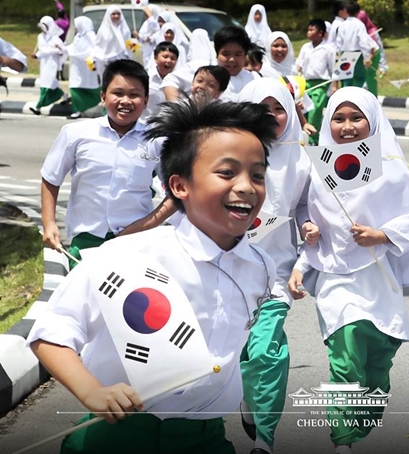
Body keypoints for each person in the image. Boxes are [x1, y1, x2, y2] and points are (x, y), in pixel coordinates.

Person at [28, 99, 279, 454]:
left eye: (257, 174)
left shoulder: (260, 267)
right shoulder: (126, 255)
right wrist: (93, 392)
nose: (247, 186)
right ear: (179, 186)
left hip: (206, 439)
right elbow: (50, 334)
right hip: (118, 437)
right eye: (226, 172)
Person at [288, 86, 409, 454]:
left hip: (380, 280)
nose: (347, 126)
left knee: (376, 361)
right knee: (345, 355)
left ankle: (362, 418)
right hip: (335, 279)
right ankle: (342, 440)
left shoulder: (391, 170)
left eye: (356, 118)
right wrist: (308, 229)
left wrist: (383, 234)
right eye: (339, 118)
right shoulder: (318, 168)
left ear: (372, 121)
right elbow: (304, 211)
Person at [237, 77, 313, 454]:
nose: (270, 116)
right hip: (224, 271)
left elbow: (304, 206)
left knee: (266, 350)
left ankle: (265, 439)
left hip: (275, 275)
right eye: (261, 108)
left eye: (278, 108)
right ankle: (248, 397)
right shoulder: (224, 150)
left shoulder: (302, 157)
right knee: (238, 352)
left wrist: (308, 225)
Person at [40, 60, 169, 269]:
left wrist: (149, 224)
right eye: (117, 93)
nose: (125, 101)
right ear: (103, 97)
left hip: (137, 244)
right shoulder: (76, 134)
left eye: (134, 95)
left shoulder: (157, 141)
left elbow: (178, 192)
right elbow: (50, 177)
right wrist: (49, 223)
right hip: (86, 242)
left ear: (146, 101)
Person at [296, 19, 337, 145]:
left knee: (315, 110)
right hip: (305, 82)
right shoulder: (305, 47)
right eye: (308, 30)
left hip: (321, 84)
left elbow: (333, 69)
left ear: (320, 33)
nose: (308, 32)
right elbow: (299, 63)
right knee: (304, 110)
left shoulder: (328, 49)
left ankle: (314, 139)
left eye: (311, 30)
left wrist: (334, 85)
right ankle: (303, 136)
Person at [335, 2, 378, 89]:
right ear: (358, 12)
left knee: (346, 78)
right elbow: (363, 42)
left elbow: (339, 41)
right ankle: (355, 97)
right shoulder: (359, 25)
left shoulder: (342, 25)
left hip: (345, 53)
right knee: (360, 77)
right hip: (357, 53)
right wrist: (367, 58)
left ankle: (345, 97)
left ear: (346, 11)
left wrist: (338, 54)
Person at [64, 16, 100, 120]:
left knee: (89, 87)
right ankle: (76, 110)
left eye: (76, 24)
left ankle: (95, 102)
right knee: (74, 87)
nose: (75, 27)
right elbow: (73, 48)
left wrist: (91, 57)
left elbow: (96, 47)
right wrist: (63, 48)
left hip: (87, 67)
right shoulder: (78, 36)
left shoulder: (91, 35)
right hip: (76, 66)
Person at [30, 16, 65, 115]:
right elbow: (43, 50)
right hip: (44, 64)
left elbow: (63, 51)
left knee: (48, 84)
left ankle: (38, 107)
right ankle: (64, 96)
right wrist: (37, 55)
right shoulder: (40, 37)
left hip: (52, 64)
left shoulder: (55, 38)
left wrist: (59, 50)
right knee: (49, 83)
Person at [214, 26, 255, 102]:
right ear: (217, 54)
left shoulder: (253, 79)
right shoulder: (209, 80)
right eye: (226, 54)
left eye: (237, 54)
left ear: (245, 56)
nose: (232, 60)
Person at [142, 41, 179, 121]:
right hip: (144, 125)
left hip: (165, 127)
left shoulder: (177, 82)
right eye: (165, 57)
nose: (168, 61)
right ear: (155, 58)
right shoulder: (146, 78)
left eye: (173, 58)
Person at [357, 6, 386, 96]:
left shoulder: (373, 32)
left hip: (371, 61)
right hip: (360, 63)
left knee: (369, 83)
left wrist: (382, 66)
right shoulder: (356, 31)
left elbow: (380, 49)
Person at [92, 5, 131, 70]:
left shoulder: (125, 30)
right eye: (113, 14)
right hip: (106, 62)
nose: (116, 16)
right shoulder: (103, 31)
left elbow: (129, 46)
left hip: (122, 61)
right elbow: (98, 45)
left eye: (118, 14)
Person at [137, 5, 161, 69]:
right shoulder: (146, 23)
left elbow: (156, 29)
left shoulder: (158, 22)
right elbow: (142, 37)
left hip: (155, 50)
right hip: (146, 50)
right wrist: (138, 36)